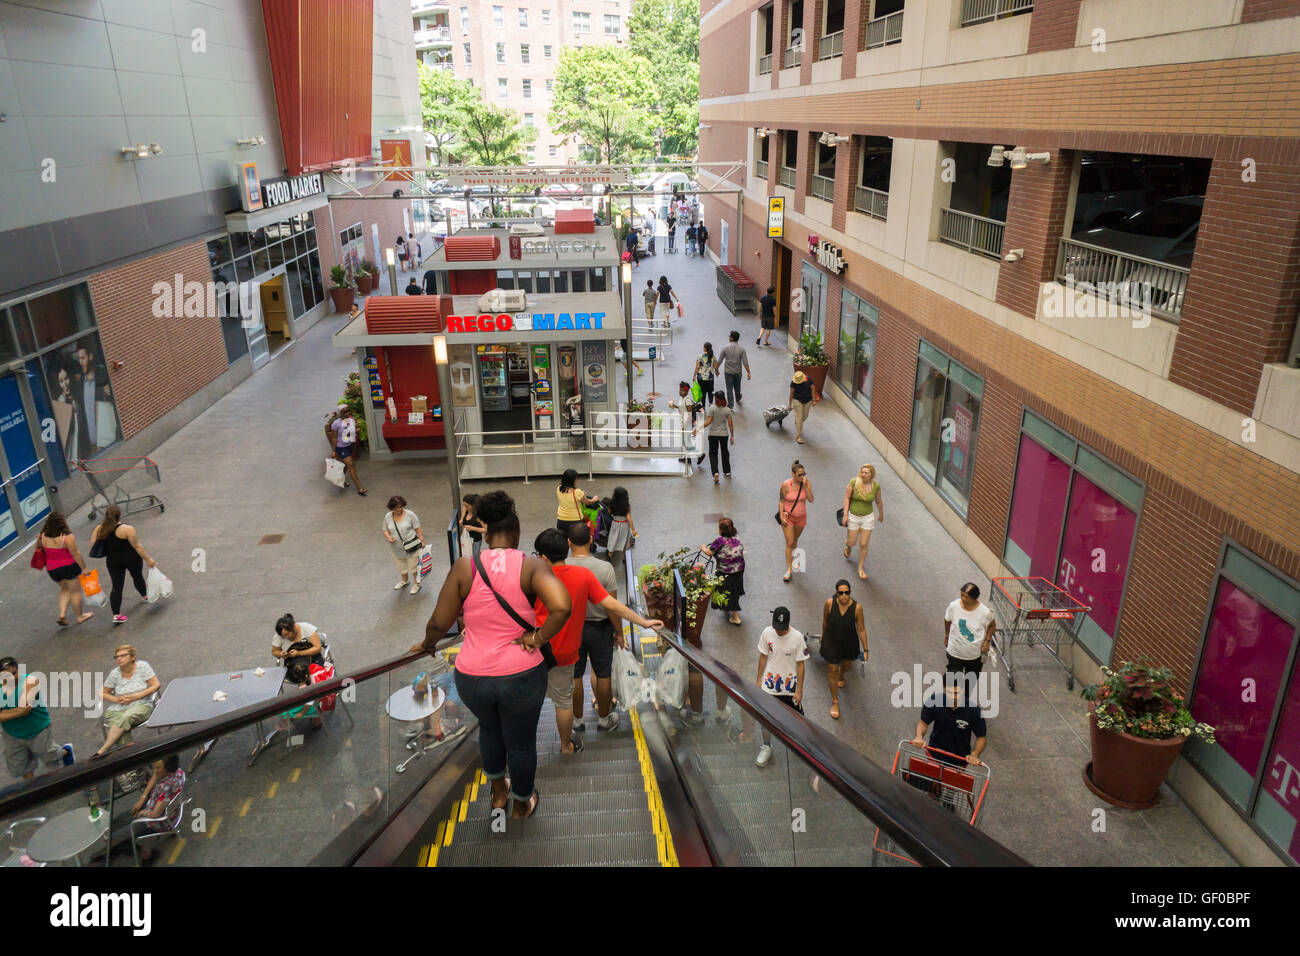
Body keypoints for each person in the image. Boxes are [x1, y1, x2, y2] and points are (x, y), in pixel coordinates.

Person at [410, 490, 573, 819]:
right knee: (522, 743)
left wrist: (428, 643)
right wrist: (538, 638)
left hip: (473, 676)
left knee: (489, 729)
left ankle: (498, 792)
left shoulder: (464, 568)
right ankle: (521, 804)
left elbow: (439, 623)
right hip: (521, 676)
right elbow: (562, 606)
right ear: (515, 533)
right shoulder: (531, 566)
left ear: (486, 534)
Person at [531, 529, 663, 754]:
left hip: (533, 651)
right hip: (563, 652)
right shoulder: (582, 576)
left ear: (543, 557)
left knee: (530, 701)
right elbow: (612, 604)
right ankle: (566, 745)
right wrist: (643, 622)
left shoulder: (534, 578)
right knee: (564, 702)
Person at [566, 523, 624, 733]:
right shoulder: (604, 568)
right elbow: (613, 606)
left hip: (572, 629)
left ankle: (577, 721)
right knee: (603, 674)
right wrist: (619, 632)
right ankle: (603, 719)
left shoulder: (561, 566)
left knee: (575, 675)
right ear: (591, 540)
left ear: (569, 542)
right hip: (600, 629)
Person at [0, 657, 72, 780]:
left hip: (37, 730)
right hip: (13, 734)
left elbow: (24, 710)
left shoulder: (30, 681)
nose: (13, 678)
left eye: (14, 673)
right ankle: (31, 791)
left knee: (51, 757)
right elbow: (19, 710)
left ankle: (66, 751)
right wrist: (15, 711)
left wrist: (4, 713)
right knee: (23, 766)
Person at [754, 607, 808, 768]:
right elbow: (763, 656)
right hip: (770, 686)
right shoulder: (767, 633)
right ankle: (766, 746)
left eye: (782, 629)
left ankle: (802, 745)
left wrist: (799, 690)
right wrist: (758, 680)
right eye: (776, 627)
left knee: (798, 718)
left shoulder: (798, 638)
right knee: (765, 718)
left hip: (789, 687)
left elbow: (801, 665)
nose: (778, 632)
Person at [92, 505, 155, 625]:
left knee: (117, 586)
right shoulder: (127, 529)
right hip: (131, 558)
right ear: (119, 515)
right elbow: (137, 546)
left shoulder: (100, 529)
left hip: (113, 561)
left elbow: (93, 545)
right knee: (137, 576)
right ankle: (145, 596)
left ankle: (116, 615)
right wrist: (148, 559)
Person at [94, 645, 160, 758]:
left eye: (123, 656)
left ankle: (104, 749)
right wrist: (116, 699)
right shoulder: (114, 673)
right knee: (121, 731)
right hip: (118, 708)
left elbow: (156, 685)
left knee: (126, 717)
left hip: (141, 705)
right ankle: (135, 765)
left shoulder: (143, 666)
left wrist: (137, 696)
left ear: (132, 657)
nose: (119, 659)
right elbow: (102, 692)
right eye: (117, 657)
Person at [911, 679, 988, 768]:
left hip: (958, 762)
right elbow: (923, 724)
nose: (953, 697)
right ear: (944, 689)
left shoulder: (974, 711)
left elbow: (981, 737)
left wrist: (975, 754)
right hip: (934, 755)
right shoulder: (934, 701)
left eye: (957, 693)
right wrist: (919, 737)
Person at [820, 580, 869, 720]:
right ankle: (835, 701)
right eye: (841, 593)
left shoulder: (857, 608)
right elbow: (825, 621)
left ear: (850, 593)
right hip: (832, 641)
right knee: (832, 670)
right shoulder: (829, 604)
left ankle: (841, 674)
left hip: (849, 642)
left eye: (847, 593)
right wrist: (823, 635)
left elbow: (861, 629)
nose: (844, 596)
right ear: (836, 593)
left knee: (846, 666)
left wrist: (866, 650)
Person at [36, 511, 93, 626]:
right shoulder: (67, 537)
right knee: (75, 592)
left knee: (64, 589)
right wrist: (85, 568)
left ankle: (62, 614)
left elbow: (38, 549)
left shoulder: (42, 536)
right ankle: (80, 616)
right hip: (69, 567)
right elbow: (76, 554)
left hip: (52, 569)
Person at [131, 754, 186, 859]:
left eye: (158, 768)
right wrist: (143, 797)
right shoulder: (178, 773)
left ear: (167, 768)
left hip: (158, 822)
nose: (155, 771)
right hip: (173, 814)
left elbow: (155, 814)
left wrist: (141, 813)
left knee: (120, 834)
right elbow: (155, 776)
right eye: (154, 767)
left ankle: (147, 852)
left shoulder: (165, 787)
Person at [841, 463, 885, 581]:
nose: (864, 474)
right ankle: (848, 547)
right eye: (862, 472)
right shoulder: (854, 482)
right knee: (852, 542)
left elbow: (878, 501)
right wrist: (845, 514)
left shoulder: (875, 486)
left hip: (868, 517)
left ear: (872, 475)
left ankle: (860, 568)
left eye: (866, 473)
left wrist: (881, 514)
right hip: (853, 516)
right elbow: (847, 498)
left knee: (864, 544)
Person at [944, 582, 996, 677]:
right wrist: (947, 635)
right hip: (954, 654)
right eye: (962, 595)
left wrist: (987, 641)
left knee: (970, 684)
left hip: (974, 657)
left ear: (974, 598)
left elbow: (992, 625)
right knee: (953, 684)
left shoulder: (985, 612)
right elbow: (947, 620)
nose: (963, 598)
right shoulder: (954, 606)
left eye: (966, 597)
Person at [701, 518, 744, 626]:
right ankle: (730, 607)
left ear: (721, 530)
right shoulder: (736, 537)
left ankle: (736, 616)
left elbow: (709, 553)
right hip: (739, 569)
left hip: (725, 571)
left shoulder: (719, 540)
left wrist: (703, 548)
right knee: (734, 589)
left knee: (726, 590)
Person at [777, 460, 813, 582]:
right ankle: (789, 570)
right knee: (790, 542)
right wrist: (781, 516)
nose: (802, 477)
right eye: (799, 475)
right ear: (793, 474)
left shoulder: (806, 483)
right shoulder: (786, 485)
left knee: (795, 539)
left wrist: (806, 486)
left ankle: (793, 559)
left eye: (804, 474)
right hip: (788, 517)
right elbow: (781, 501)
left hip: (801, 518)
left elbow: (811, 499)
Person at [382, 496, 425, 594]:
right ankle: (405, 580)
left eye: (401, 506)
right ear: (392, 508)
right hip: (396, 548)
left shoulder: (410, 515)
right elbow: (384, 529)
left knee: (413, 567)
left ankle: (416, 584)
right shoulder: (388, 516)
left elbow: (418, 528)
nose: (399, 509)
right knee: (401, 566)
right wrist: (389, 537)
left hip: (411, 546)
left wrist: (422, 541)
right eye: (396, 507)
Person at [271, 613, 324, 686]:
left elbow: (318, 648)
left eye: (287, 634)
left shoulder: (306, 628)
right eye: (283, 636)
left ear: (294, 627)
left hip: (312, 657)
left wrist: (299, 653)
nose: (285, 637)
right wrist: (281, 653)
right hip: (293, 662)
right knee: (298, 672)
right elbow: (274, 651)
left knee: (312, 674)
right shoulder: (279, 635)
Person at [326, 404, 367, 495]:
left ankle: (341, 481)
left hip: (350, 445)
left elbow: (349, 433)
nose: (348, 412)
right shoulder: (336, 423)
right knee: (351, 465)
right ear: (340, 413)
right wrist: (333, 451)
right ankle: (359, 488)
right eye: (345, 411)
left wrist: (356, 431)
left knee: (345, 466)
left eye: (349, 410)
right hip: (341, 448)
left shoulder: (351, 420)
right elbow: (334, 438)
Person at [694, 392, 734, 485]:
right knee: (725, 452)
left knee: (713, 454)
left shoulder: (712, 408)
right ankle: (727, 471)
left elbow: (708, 422)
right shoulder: (727, 410)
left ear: (716, 399)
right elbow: (730, 425)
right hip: (724, 435)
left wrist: (698, 428)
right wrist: (732, 436)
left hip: (713, 435)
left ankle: (715, 472)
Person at [668, 382, 706, 470]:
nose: (681, 392)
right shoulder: (682, 399)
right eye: (680, 390)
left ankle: (700, 455)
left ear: (687, 391)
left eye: (683, 390)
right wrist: (673, 405)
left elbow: (689, 415)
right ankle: (687, 458)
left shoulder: (688, 400)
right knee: (684, 441)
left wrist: (684, 426)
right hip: (683, 423)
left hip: (687, 424)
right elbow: (680, 407)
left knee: (687, 442)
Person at [602, 485, 637, 571]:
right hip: (624, 525)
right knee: (624, 542)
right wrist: (633, 529)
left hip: (615, 524)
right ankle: (624, 559)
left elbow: (609, 512)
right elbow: (629, 518)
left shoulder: (612, 504)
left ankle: (609, 555)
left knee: (613, 540)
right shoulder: (627, 506)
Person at [556, 469, 599, 536]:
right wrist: (594, 499)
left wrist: (582, 495)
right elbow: (587, 502)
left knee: (563, 541)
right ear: (573, 480)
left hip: (561, 520)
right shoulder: (577, 492)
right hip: (575, 521)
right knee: (576, 542)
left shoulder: (558, 488)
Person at [715, 330, 751, 409]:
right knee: (737, 386)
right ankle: (738, 397)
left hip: (728, 372)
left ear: (731, 338)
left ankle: (730, 405)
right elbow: (745, 362)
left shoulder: (725, 348)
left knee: (729, 389)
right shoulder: (742, 349)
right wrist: (749, 373)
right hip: (737, 372)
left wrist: (716, 369)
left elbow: (719, 360)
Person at [788, 370, 815, 444]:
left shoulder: (808, 379)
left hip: (807, 400)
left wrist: (814, 400)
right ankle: (798, 436)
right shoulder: (793, 383)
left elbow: (813, 388)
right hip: (797, 400)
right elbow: (791, 394)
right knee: (799, 418)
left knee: (805, 416)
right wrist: (790, 404)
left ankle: (797, 423)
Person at [459, 493, 487, 557]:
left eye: (467, 506)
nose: (465, 507)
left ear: (473, 506)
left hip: (476, 541)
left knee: (475, 558)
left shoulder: (478, 516)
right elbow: (464, 508)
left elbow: (485, 529)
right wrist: (461, 519)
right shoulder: (466, 511)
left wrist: (472, 528)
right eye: (464, 505)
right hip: (467, 540)